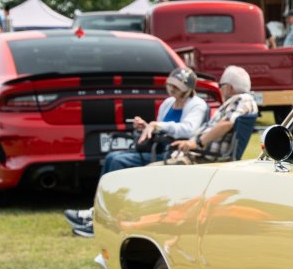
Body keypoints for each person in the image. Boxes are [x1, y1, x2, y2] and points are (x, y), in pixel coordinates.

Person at [64, 66, 208, 236]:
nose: (171, 89)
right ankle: (98, 210)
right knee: (111, 158)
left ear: (187, 89)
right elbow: (160, 130)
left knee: (118, 161)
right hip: (157, 148)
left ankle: (103, 216)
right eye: (170, 85)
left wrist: (157, 125)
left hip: (172, 154)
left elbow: (188, 129)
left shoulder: (197, 105)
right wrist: (146, 127)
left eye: (176, 87)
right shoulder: (168, 103)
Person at [166, 66, 261, 165]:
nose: (220, 89)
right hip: (198, 155)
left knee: (151, 170)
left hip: (203, 159)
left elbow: (227, 123)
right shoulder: (239, 101)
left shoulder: (242, 99)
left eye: (221, 85)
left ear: (229, 87)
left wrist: (196, 143)